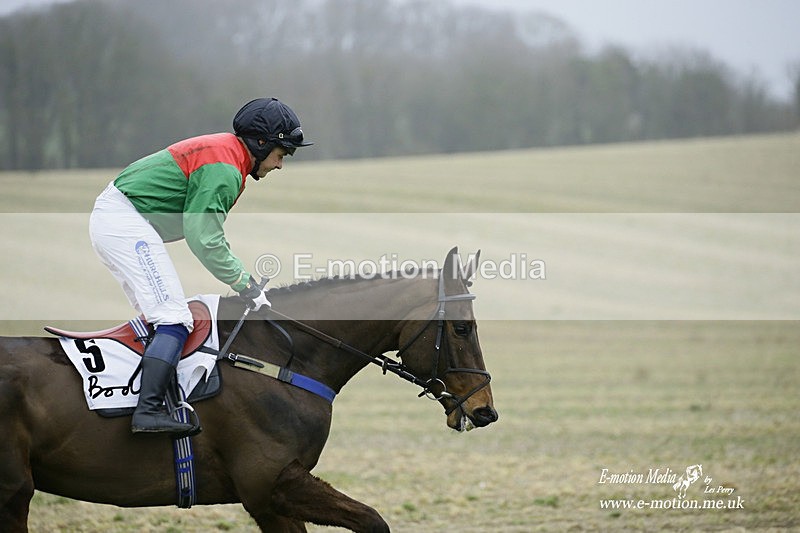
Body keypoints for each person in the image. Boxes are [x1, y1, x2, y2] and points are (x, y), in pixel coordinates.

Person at [89, 97, 312, 435]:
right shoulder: (224, 167)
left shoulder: (227, 154)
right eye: (282, 155)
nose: (280, 164)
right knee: (175, 318)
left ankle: (148, 399)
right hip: (124, 222)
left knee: (163, 318)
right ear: (261, 143)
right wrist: (246, 284)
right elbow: (203, 237)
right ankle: (147, 412)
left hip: (120, 220)